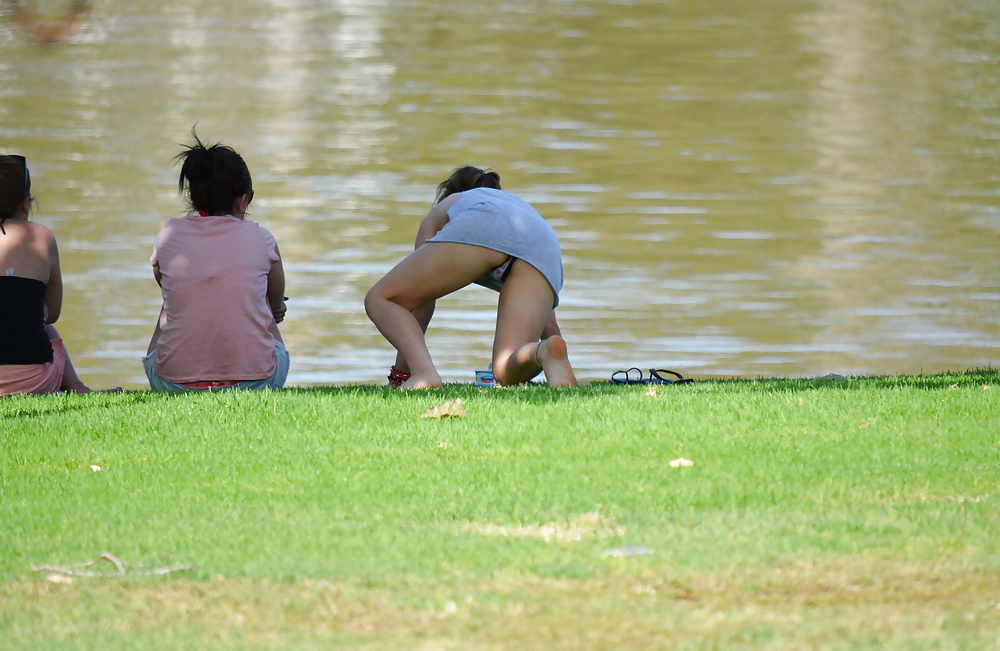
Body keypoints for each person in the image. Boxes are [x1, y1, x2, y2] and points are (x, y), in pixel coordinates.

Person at [365, 166, 579, 389]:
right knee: (504, 370)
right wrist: (570, 374)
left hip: (487, 227)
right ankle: (544, 352)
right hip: (545, 244)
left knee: (381, 299)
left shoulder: (451, 206)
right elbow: (548, 320)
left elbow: (419, 304)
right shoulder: (514, 206)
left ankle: (425, 373)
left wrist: (400, 376)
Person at [144, 131, 289, 392]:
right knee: (264, 305)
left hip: (172, 385)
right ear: (242, 199)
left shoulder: (168, 235)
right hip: (256, 382)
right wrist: (273, 306)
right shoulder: (262, 238)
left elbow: (162, 279)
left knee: (169, 303)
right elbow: (276, 303)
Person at [0, 154, 119, 396]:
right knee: (47, 328)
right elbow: (52, 313)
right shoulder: (41, 237)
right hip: (32, 379)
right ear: (25, 203)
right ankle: (77, 387)